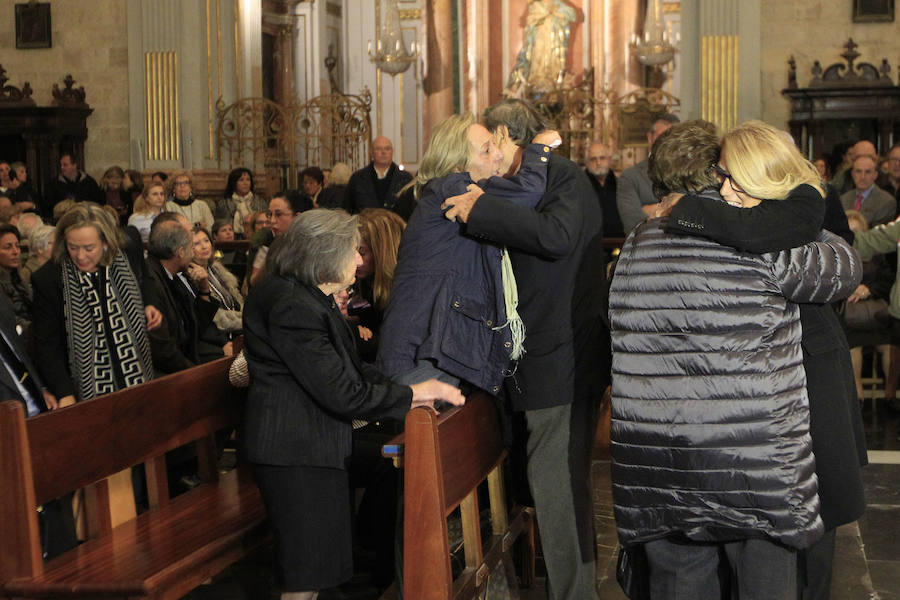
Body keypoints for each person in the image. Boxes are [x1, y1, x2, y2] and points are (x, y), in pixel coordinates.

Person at [643, 120, 866, 599]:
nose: (726, 189)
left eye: (732, 177)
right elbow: (843, 266)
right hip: (764, 424)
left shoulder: (642, 245)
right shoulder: (759, 247)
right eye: (720, 178)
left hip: (692, 428)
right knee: (788, 557)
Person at [242, 208, 464, 600]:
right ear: (325, 254)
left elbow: (354, 368)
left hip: (312, 446)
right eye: (353, 251)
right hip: (295, 452)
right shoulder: (292, 305)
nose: (360, 261)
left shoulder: (311, 296)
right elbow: (343, 392)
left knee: (315, 575)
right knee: (304, 579)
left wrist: (411, 390)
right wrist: (414, 394)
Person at [442, 98, 607, 600]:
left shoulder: (562, 177)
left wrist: (482, 209)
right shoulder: (522, 181)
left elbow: (556, 237)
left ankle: (575, 594)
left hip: (561, 355)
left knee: (557, 486)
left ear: (510, 136)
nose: (489, 156)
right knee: (548, 483)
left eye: (492, 143)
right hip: (536, 356)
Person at [378, 112, 557, 392]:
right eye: (486, 150)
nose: (498, 155)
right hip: (421, 353)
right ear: (457, 164)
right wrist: (539, 149)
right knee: (425, 434)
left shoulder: (445, 190)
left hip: (429, 347)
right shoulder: (453, 188)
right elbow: (526, 195)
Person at [31, 203, 157, 406]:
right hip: (86, 388)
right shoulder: (48, 279)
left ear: (106, 242)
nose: (80, 256)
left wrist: (150, 303)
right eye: (73, 247)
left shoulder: (128, 247)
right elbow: (47, 346)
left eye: (89, 248)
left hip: (138, 373)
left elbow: (146, 277)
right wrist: (64, 392)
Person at [144, 215, 219, 374]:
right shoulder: (151, 283)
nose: (194, 252)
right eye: (192, 246)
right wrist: (196, 373)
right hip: (165, 375)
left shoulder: (172, 274)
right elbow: (163, 351)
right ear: (180, 252)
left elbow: (195, 326)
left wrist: (204, 290)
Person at [349, 208, 406, 347]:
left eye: (361, 252)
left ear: (383, 254)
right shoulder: (366, 281)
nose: (353, 259)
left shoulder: (405, 293)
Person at [616, 113, 679, 233]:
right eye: (662, 137)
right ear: (650, 138)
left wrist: (652, 209)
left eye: (674, 138)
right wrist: (672, 208)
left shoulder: (688, 175)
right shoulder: (630, 177)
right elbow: (633, 224)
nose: (668, 143)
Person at [247, 191, 312, 288]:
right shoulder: (265, 241)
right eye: (270, 214)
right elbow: (253, 282)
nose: (272, 221)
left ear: (298, 217)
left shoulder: (314, 244)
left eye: (278, 214)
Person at [191, 226, 242, 336]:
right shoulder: (191, 276)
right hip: (219, 335)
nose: (204, 246)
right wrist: (247, 322)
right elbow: (215, 318)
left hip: (237, 327)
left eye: (206, 241)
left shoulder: (215, 269)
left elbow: (237, 301)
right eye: (196, 244)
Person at [345, 137, 413, 214]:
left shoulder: (406, 179)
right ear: (371, 152)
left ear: (392, 152)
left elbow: (412, 211)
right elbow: (348, 209)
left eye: (387, 149)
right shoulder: (357, 179)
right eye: (378, 149)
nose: (383, 152)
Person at [840, 153, 897, 226]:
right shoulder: (843, 199)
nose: (862, 177)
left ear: (875, 175)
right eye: (858, 171)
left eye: (867, 172)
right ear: (853, 174)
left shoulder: (886, 202)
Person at [584, 140, 622, 238]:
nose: (598, 162)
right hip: (590, 244)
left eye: (602, 158)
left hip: (618, 241)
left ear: (609, 160)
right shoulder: (579, 185)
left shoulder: (620, 184)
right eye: (593, 159)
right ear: (587, 163)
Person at [48, 153, 103, 217]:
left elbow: (97, 202)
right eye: (61, 165)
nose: (62, 168)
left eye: (65, 165)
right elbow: (49, 205)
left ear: (74, 165)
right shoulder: (54, 184)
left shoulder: (88, 182)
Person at [0, 224, 32, 333]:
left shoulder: (18, 279)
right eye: (8, 247)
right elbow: (8, 321)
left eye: (17, 246)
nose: (15, 252)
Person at [218, 167, 266, 237]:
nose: (245, 183)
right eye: (241, 180)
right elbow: (220, 226)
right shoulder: (224, 204)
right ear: (234, 183)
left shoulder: (260, 202)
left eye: (248, 180)